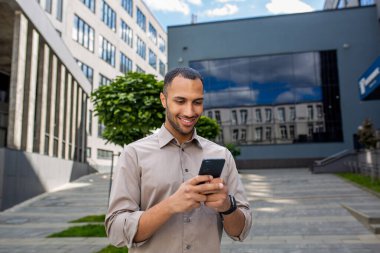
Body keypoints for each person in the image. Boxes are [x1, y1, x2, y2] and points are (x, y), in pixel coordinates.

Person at [105, 67, 252, 253]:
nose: (190, 112)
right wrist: (170, 205)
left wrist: (227, 207)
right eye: (180, 101)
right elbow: (116, 231)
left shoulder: (221, 155)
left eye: (197, 102)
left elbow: (241, 231)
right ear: (164, 100)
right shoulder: (134, 154)